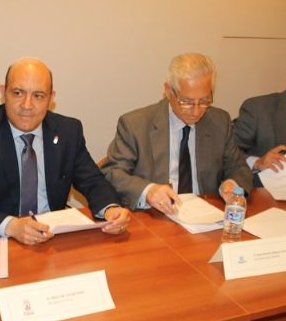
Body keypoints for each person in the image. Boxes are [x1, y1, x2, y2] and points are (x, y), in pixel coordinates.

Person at [0, 57, 130, 245]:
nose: (27, 105)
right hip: (1, 239)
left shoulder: (68, 131)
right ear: (3, 92)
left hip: (52, 239)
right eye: (18, 93)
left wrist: (111, 209)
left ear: (51, 98)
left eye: (38, 95)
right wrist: (11, 226)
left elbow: (93, 181)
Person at [101, 53, 252, 215]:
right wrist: (148, 191)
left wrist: (232, 184)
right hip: (156, 216)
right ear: (168, 91)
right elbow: (112, 172)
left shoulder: (219, 121)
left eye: (204, 101)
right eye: (186, 102)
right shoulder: (135, 125)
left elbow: (238, 167)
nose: (196, 111)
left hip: (205, 214)